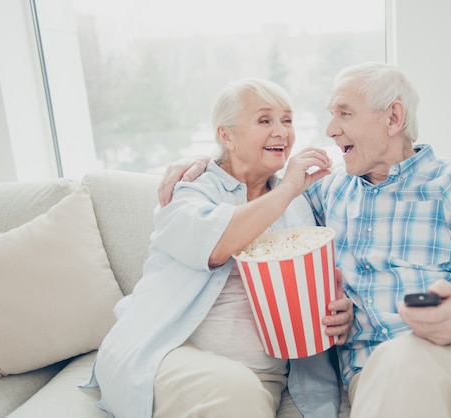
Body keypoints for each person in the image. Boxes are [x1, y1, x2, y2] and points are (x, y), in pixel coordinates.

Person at [158, 62, 451, 418]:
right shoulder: (329, 191)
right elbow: (256, 198)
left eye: (344, 113)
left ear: (392, 118)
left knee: (403, 363)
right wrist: (209, 161)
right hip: (374, 372)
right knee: (394, 367)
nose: (330, 129)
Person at [85, 78, 354, 418]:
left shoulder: (299, 203)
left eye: (287, 120)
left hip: (260, 377)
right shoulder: (190, 191)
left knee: (241, 392)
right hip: (168, 353)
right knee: (236, 393)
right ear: (226, 136)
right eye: (264, 120)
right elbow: (217, 245)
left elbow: (311, 281)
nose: (282, 132)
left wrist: (339, 310)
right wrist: (287, 188)